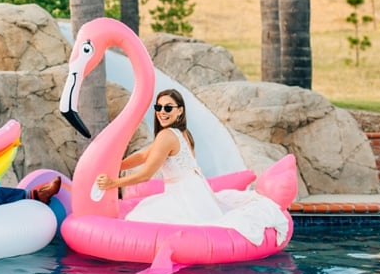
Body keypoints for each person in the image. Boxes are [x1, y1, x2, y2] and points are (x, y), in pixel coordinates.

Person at [95, 89, 289, 245]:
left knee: (138, 218)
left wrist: (113, 183)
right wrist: (116, 164)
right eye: (159, 107)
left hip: (185, 195)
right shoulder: (182, 133)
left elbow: (146, 174)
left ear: (180, 110)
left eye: (168, 108)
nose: (162, 111)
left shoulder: (167, 136)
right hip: (196, 191)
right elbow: (144, 155)